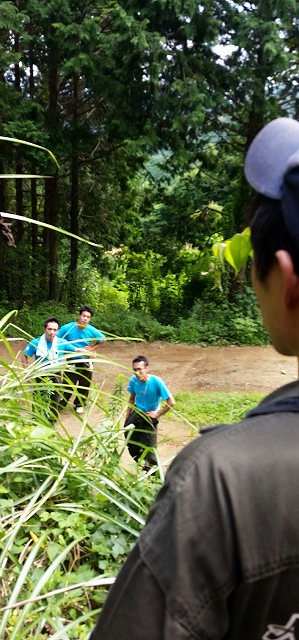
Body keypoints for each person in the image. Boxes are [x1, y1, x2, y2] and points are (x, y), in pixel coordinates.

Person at [90, 116, 299, 640]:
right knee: (136, 452)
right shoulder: (131, 383)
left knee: (149, 454)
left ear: (287, 283)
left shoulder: (218, 482)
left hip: (153, 425)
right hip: (134, 421)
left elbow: (167, 395)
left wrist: (156, 411)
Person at [20, 316, 82, 421]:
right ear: (45, 329)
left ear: (57, 331)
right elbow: (24, 355)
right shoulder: (36, 342)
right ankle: (36, 420)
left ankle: (52, 422)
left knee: (55, 400)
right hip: (40, 375)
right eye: (49, 329)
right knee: (38, 400)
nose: (52, 332)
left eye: (55, 330)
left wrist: (89, 352)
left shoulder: (62, 342)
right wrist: (27, 372)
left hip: (56, 374)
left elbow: (76, 350)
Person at [124, 355, 175, 471]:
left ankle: (153, 474)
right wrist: (127, 416)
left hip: (149, 416)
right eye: (134, 369)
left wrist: (157, 414)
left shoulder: (156, 382)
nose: (137, 372)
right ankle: (141, 462)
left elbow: (171, 402)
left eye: (139, 369)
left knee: (150, 449)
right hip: (136, 412)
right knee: (129, 438)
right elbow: (132, 398)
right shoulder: (133, 380)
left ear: (147, 368)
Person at [57, 305, 105, 413]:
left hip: (85, 359)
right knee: (68, 382)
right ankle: (62, 402)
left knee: (84, 383)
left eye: (88, 317)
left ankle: (80, 403)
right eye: (84, 316)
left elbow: (103, 340)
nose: (85, 319)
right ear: (79, 316)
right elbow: (57, 339)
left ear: (90, 319)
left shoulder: (92, 330)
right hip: (71, 359)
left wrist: (92, 348)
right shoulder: (67, 328)